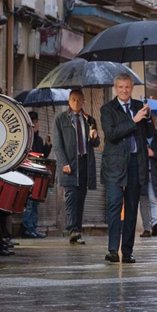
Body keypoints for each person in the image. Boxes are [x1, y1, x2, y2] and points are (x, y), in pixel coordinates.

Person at [100, 73, 150, 263]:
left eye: (127, 87)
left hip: (136, 163)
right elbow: (111, 134)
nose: (124, 90)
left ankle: (127, 251)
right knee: (114, 206)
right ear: (115, 88)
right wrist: (134, 121)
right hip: (114, 165)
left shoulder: (139, 107)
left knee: (131, 208)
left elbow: (149, 134)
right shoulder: (107, 109)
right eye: (120, 87)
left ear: (131, 88)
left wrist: (147, 117)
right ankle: (113, 249)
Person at [52, 89, 100, 244]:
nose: (76, 102)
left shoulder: (90, 120)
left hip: (85, 163)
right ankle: (72, 229)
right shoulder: (60, 119)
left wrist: (94, 135)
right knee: (71, 197)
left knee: (80, 198)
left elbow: (96, 144)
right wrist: (64, 163)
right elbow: (57, 145)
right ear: (69, 101)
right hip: (70, 164)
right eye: (73, 99)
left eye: (79, 100)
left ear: (84, 101)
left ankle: (77, 230)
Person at [21, 111, 52, 238]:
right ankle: (27, 228)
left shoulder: (38, 139)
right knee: (28, 202)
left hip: (37, 173)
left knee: (35, 202)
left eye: (36, 121)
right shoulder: (25, 138)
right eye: (32, 122)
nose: (35, 124)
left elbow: (42, 156)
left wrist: (48, 145)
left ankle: (33, 227)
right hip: (27, 172)